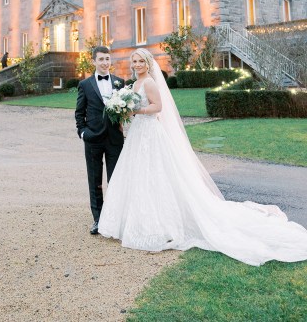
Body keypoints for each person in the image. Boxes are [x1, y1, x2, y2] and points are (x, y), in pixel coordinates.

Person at [98, 48, 307, 266]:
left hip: (150, 132)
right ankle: (132, 221)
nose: (137, 64)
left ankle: (159, 224)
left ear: (148, 63)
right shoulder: (134, 84)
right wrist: (125, 110)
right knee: (138, 174)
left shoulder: (149, 82)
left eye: (141, 61)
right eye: (134, 61)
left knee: (155, 174)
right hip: (139, 134)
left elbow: (158, 107)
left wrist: (135, 112)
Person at [75, 46, 125, 235]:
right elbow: (79, 113)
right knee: (95, 180)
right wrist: (83, 133)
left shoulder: (120, 82)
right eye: (101, 59)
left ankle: (114, 218)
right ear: (94, 61)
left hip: (114, 139)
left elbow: (125, 110)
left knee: (116, 179)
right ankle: (98, 219)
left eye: (107, 59)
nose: (105, 63)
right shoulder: (85, 85)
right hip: (93, 139)